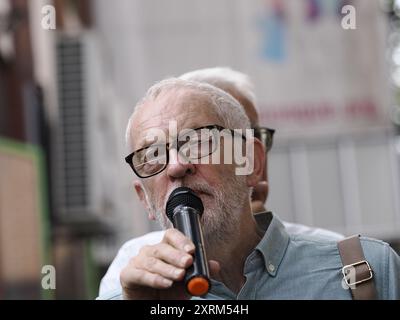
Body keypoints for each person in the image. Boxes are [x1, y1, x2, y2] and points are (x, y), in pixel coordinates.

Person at [99, 77, 400, 299]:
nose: (177, 166)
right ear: (144, 198)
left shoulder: (366, 270)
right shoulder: (130, 294)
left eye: (198, 141)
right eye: (152, 156)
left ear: (251, 162)